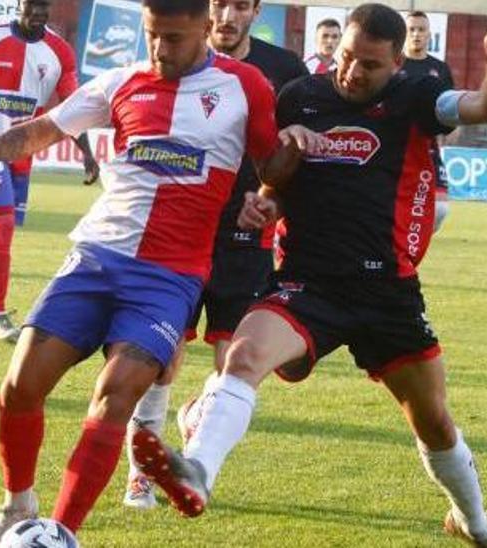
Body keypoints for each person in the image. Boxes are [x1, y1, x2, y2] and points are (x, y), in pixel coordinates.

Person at [132, 4, 487, 547]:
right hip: (308, 281)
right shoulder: (301, 97)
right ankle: (196, 469)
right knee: (242, 357)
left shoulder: (416, 95)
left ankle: (473, 523)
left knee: (432, 420)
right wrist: (266, 202)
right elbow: (278, 179)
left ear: (394, 66)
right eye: (345, 58)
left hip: (387, 291)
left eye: (369, 65)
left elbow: (481, 106)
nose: (352, 72)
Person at [0, 0, 309, 543]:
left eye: (175, 37)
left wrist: (286, 160)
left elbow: (269, 166)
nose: (161, 48)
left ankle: (61, 532)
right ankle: (18, 506)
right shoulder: (121, 81)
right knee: (18, 386)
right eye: (152, 34)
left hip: (169, 276)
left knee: (115, 396)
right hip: (95, 257)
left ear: (205, 30)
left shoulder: (243, 84)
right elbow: (42, 129)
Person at [119, 0, 308, 511]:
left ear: (255, 11)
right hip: (178, 234)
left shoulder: (283, 72)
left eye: (239, 5)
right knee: (160, 359)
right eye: (219, 4)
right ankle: (140, 474)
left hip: (243, 242)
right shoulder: (172, 56)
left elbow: (287, 161)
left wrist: (269, 198)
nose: (227, 15)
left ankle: (201, 414)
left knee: (235, 362)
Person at [0, 0, 101, 343]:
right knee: (2, 223)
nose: (37, 13)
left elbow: (72, 108)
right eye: (31, 6)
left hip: (22, 152)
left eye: (43, 7)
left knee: (1, 233)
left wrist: (88, 154)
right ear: (19, 4)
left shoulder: (59, 52)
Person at [402, 10, 455, 232]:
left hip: (428, 146)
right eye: (411, 30)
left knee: (440, 208)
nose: (416, 34)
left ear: (429, 34)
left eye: (421, 30)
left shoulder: (439, 69)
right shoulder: (394, 64)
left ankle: (413, 237)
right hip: (398, 145)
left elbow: (450, 108)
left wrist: (447, 134)